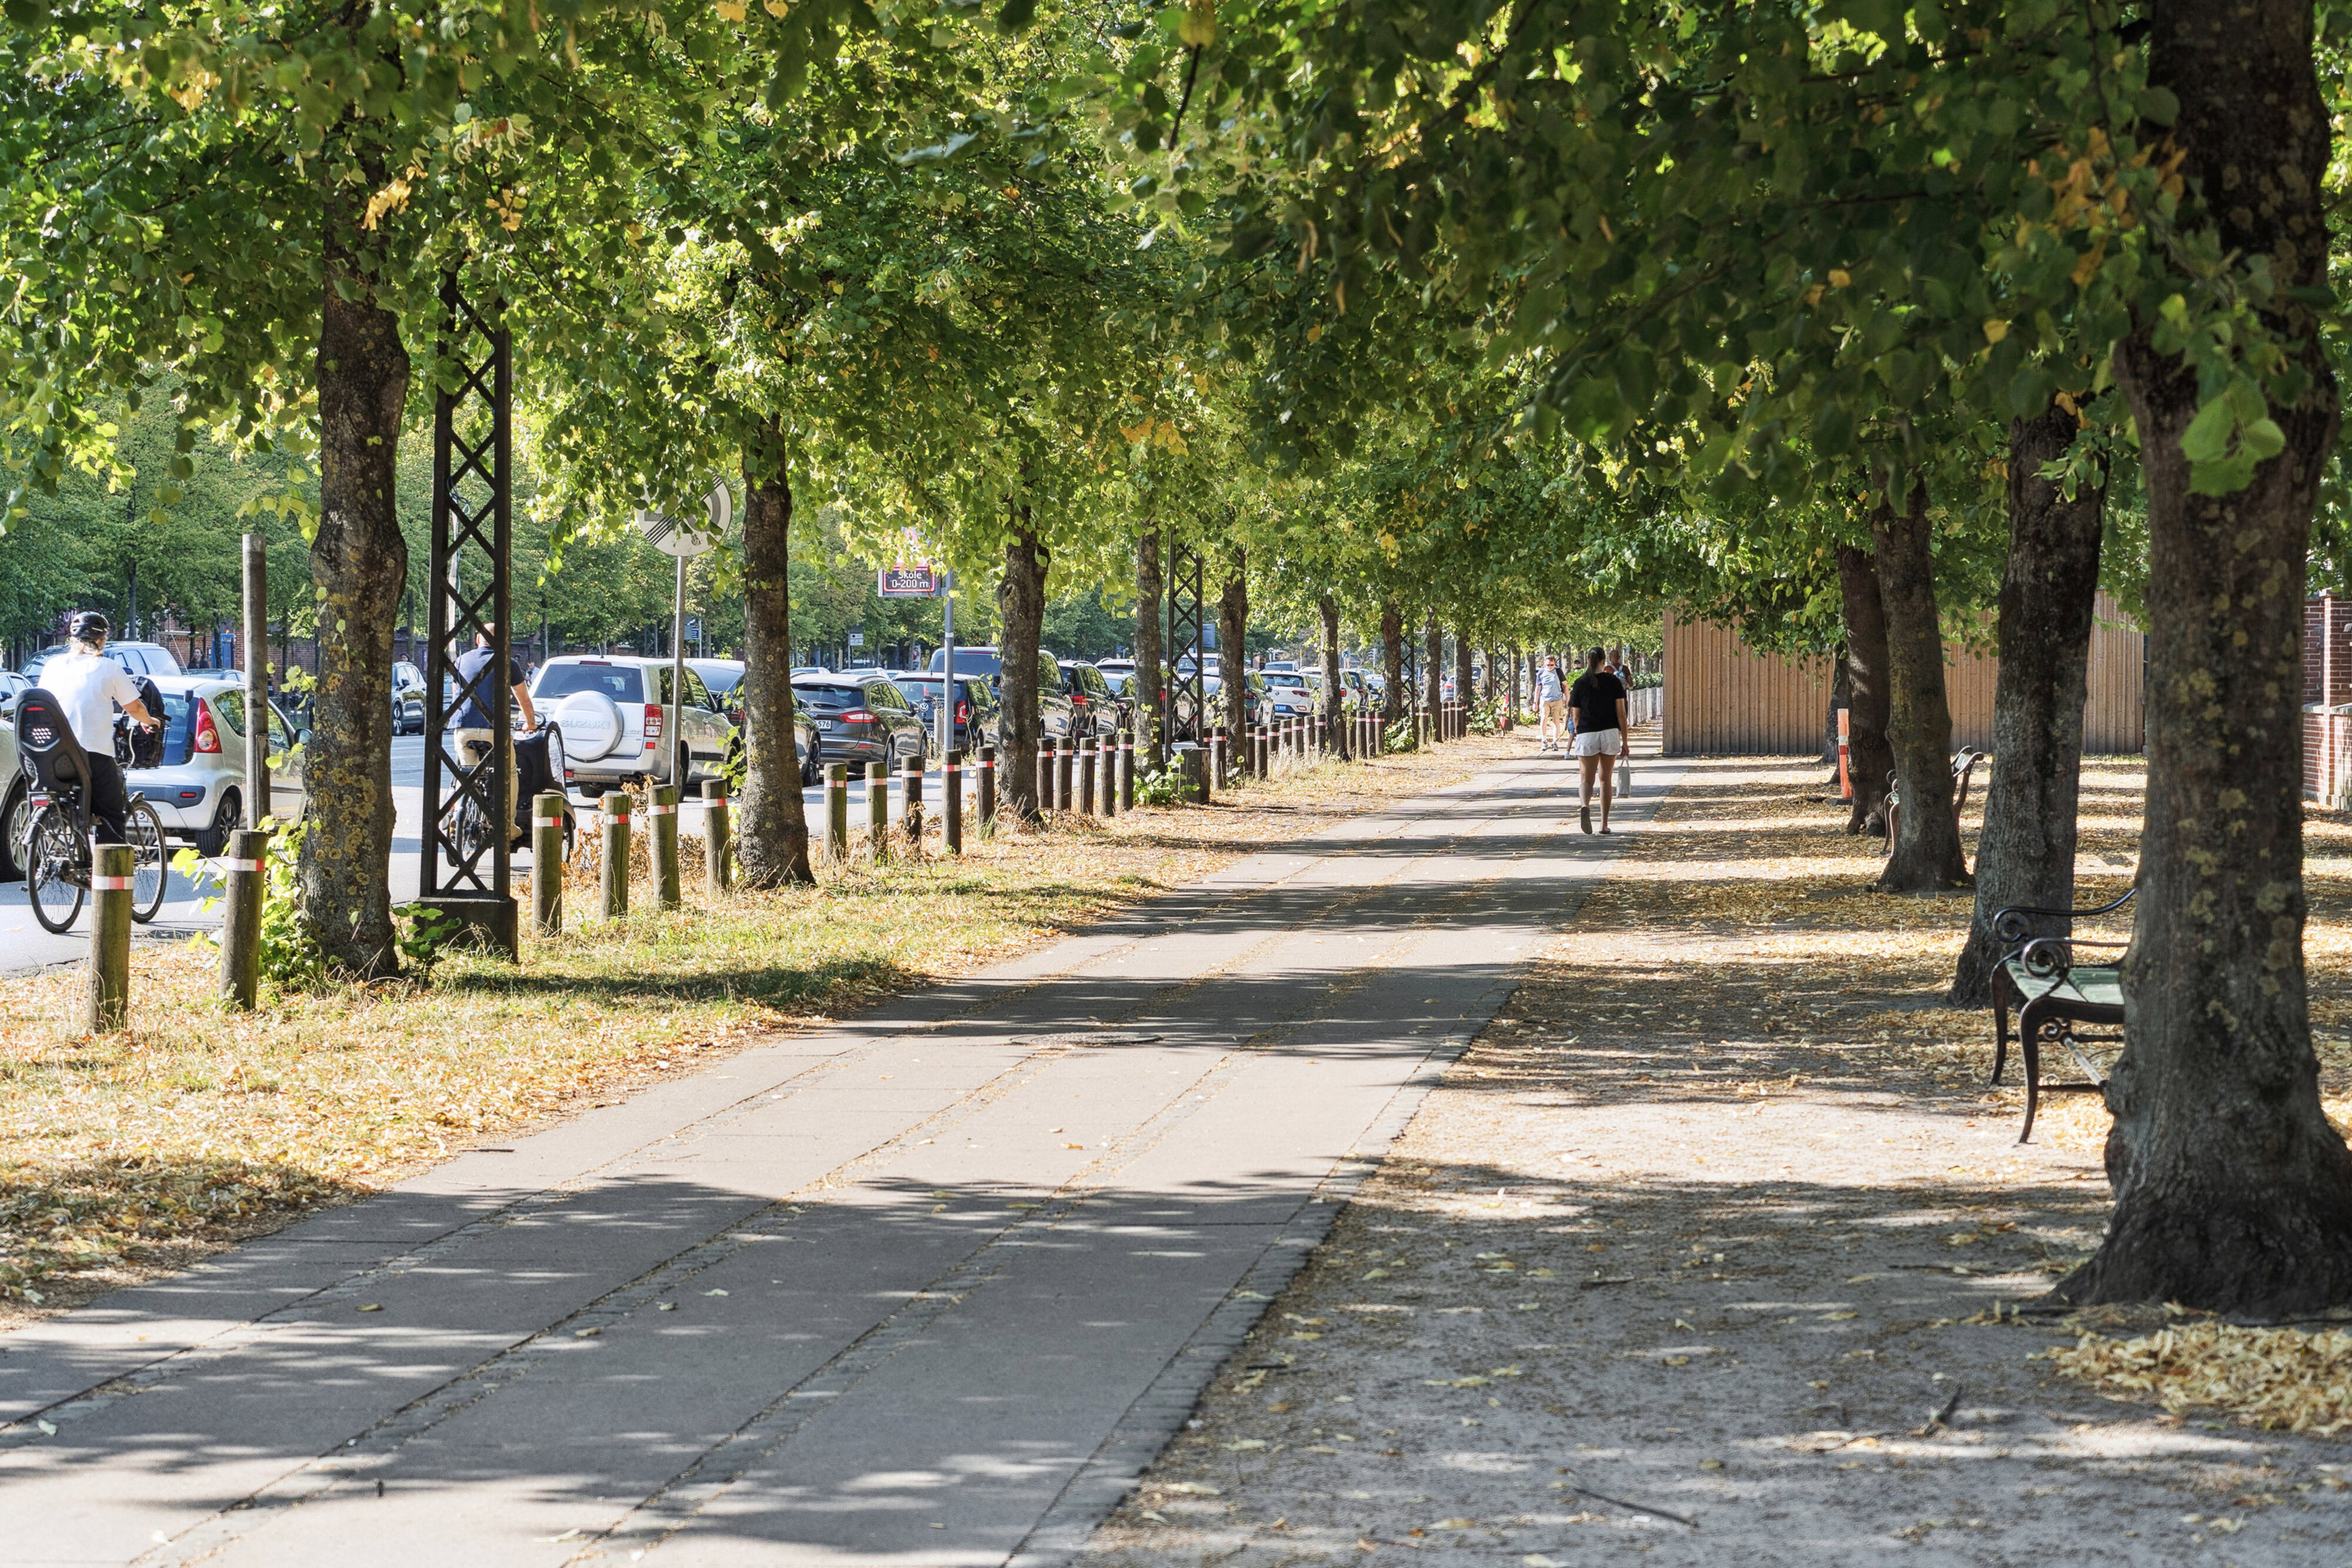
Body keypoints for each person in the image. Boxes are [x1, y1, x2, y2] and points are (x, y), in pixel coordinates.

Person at [41, 611, 161, 844]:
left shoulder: (52, 666)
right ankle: (108, 865)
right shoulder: (108, 667)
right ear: (101, 641)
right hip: (92, 754)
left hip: (53, 755)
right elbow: (135, 707)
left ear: (72, 639)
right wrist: (149, 721)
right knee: (111, 815)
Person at [452, 627, 537, 826]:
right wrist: (531, 723)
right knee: (510, 772)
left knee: (466, 774)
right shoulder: (509, 662)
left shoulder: (461, 661)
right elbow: (523, 699)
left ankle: (458, 818)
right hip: (494, 732)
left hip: (464, 729)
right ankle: (509, 825)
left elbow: (457, 695)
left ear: (477, 639)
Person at [1567, 646, 1629, 834]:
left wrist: (1580, 733)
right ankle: (1604, 824)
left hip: (1587, 734)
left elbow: (1575, 716)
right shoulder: (1614, 682)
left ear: (1588, 661)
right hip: (1610, 733)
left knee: (1587, 780)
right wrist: (1625, 742)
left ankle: (1585, 805)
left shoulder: (1580, 683)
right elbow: (1621, 714)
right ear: (1604, 662)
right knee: (1605, 779)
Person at [1536, 656, 1566, 752]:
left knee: (1556, 721)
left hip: (1557, 699)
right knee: (1544, 719)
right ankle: (1544, 740)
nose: (1550, 667)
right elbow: (1538, 688)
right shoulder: (1541, 673)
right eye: (1548, 665)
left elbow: (1565, 686)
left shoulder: (1558, 672)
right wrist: (1535, 702)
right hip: (1545, 699)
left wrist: (1568, 699)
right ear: (1545, 664)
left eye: (1552, 665)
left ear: (1555, 664)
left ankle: (1555, 742)